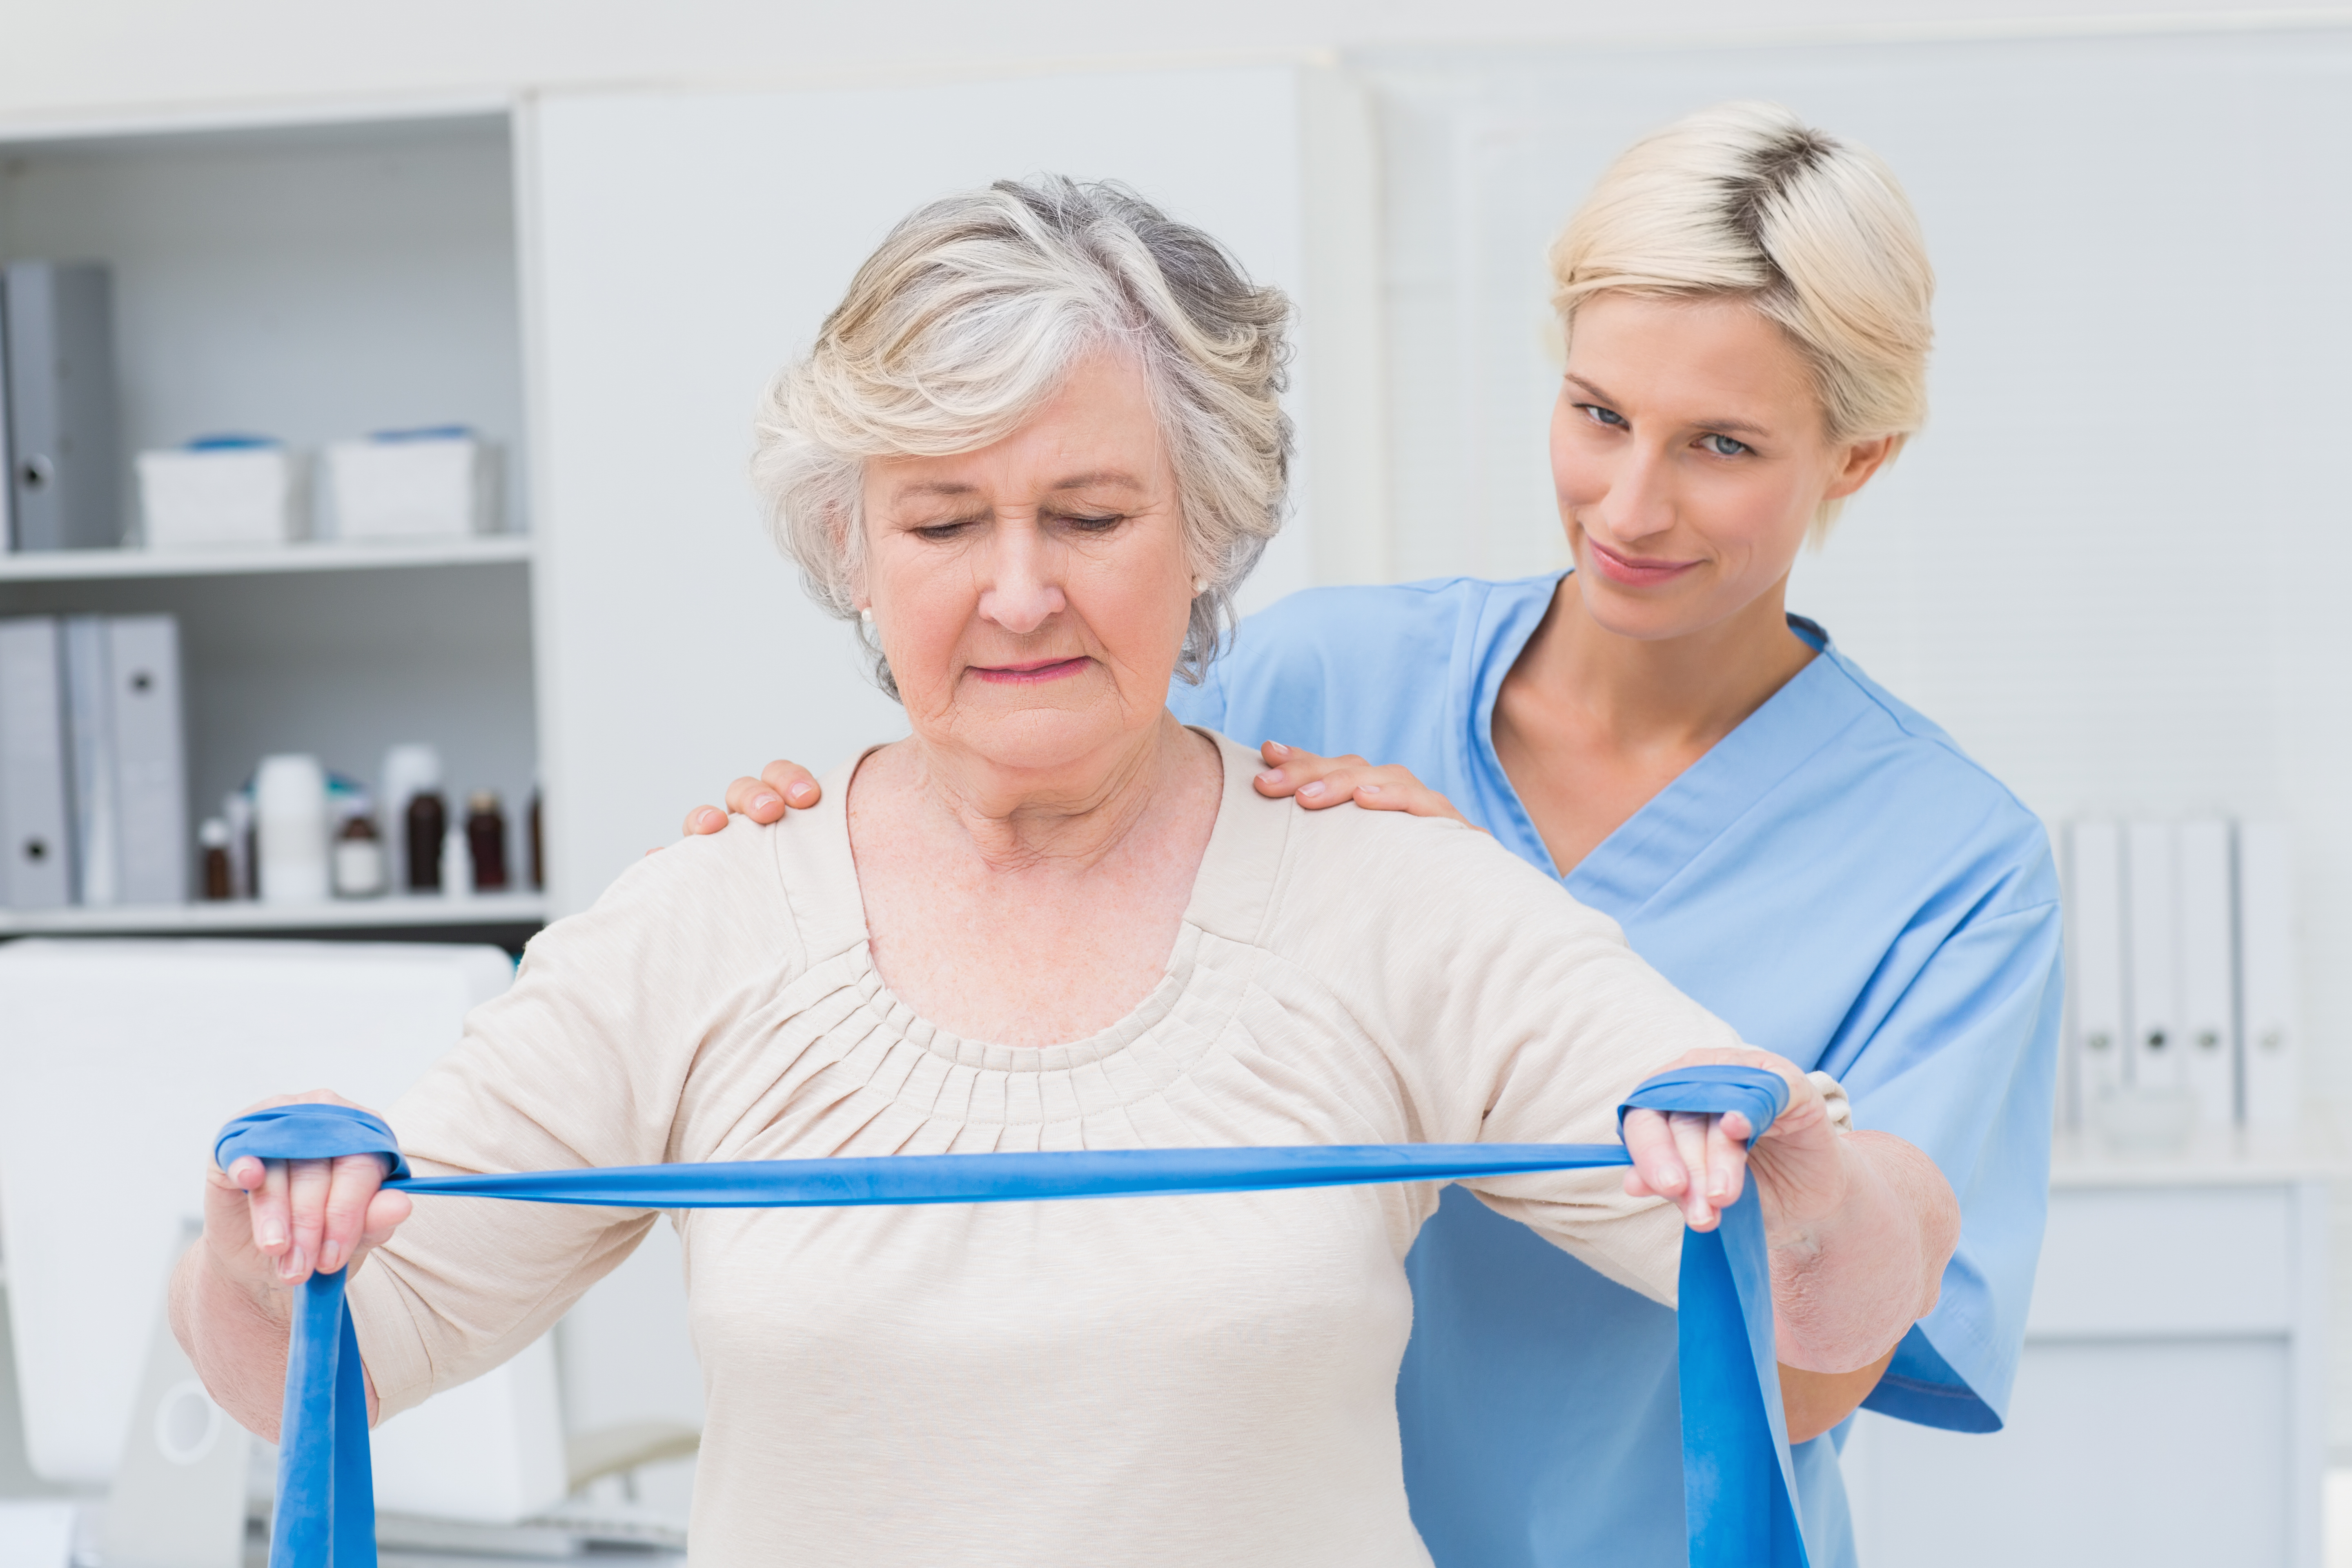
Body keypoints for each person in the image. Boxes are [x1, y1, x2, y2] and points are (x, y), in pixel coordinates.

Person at [174, 176, 1960, 1567]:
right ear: (854, 554)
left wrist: (1814, 1176)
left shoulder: (1391, 899)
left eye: (1091, 517)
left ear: (1208, 538)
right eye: (944, 522)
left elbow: (1827, 1289)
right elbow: (316, 1357)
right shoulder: (707, 922)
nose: (1016, 590)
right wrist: (268, 1240)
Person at [683, 107, 2061, 1568]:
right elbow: (1018, 878)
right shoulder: (1309, 682)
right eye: (1599, 414)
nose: (1631, 503)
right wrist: (830, 843)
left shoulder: (1955, 867)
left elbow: (1817, 1373)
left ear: (1860, 457)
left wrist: (1474, 944)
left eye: (1720, 445)